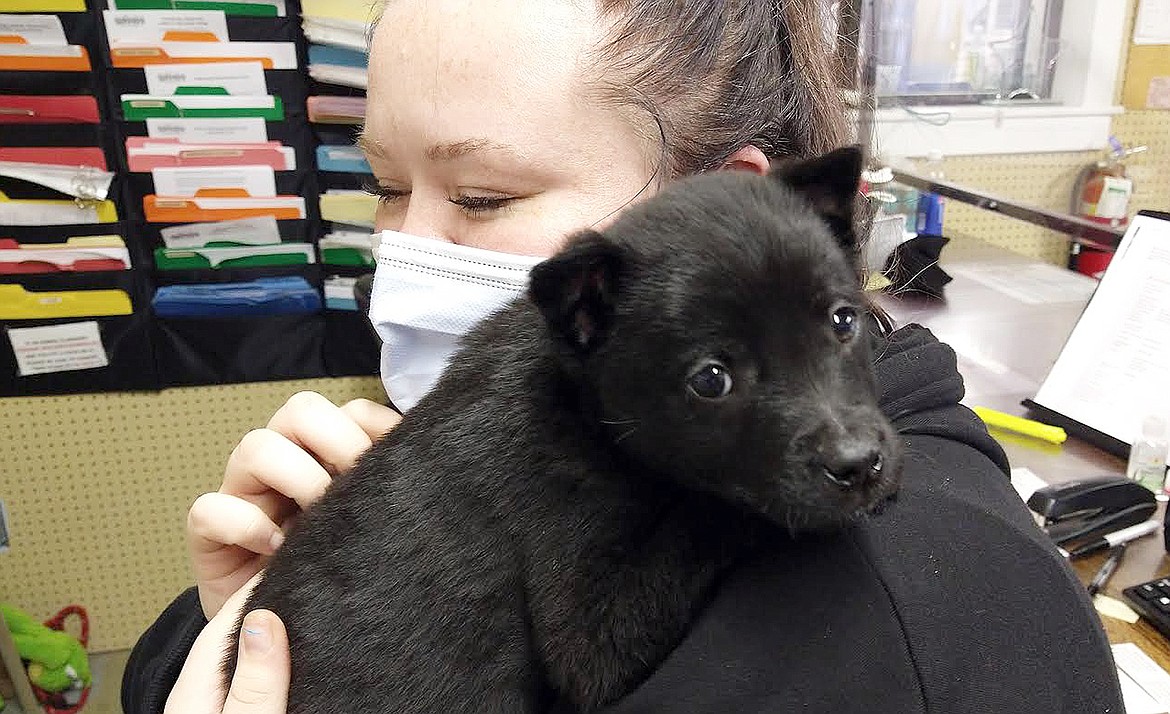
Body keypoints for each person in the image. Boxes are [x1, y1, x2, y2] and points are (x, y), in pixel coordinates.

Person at [122, 1, 1124, 712]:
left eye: (482, 197)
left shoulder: (868, 603)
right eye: (385, 187)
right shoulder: (579, 420)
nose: (407, 249)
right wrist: (257, 618)